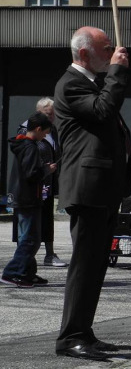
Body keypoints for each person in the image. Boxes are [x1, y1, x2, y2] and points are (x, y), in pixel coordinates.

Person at [54, 26, 131, 361]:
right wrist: (117, 71)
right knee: (85, 264)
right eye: (106, 48)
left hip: (103, 188)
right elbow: (102, 110)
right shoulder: (71, 83)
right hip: (86, 188)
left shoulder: (91, 84)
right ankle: (70, 336)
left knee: (97, 263)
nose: (112, 51)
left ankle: (83, 331)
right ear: (85, 53)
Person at [2, 112, 56, 287]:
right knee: (30, 239)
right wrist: (46, 170)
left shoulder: (23, 145)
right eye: (45, 132)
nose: (45, 136)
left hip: (22, 198)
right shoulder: (31, 147)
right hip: (28, 199)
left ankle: (27, 272)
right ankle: (12, 272)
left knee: (29, 238)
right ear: (38, 129)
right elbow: (31, 173)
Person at [12, 98, 65, 268]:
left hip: (45, 183)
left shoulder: (52, 130)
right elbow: (29, 169)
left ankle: (35, 262)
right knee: (28, 233)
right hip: (31, 188)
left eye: (53, 115)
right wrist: (45, 170)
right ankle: (18, 268)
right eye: (48, 115)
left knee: (40, 225)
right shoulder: (27, 138)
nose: (52, 119)